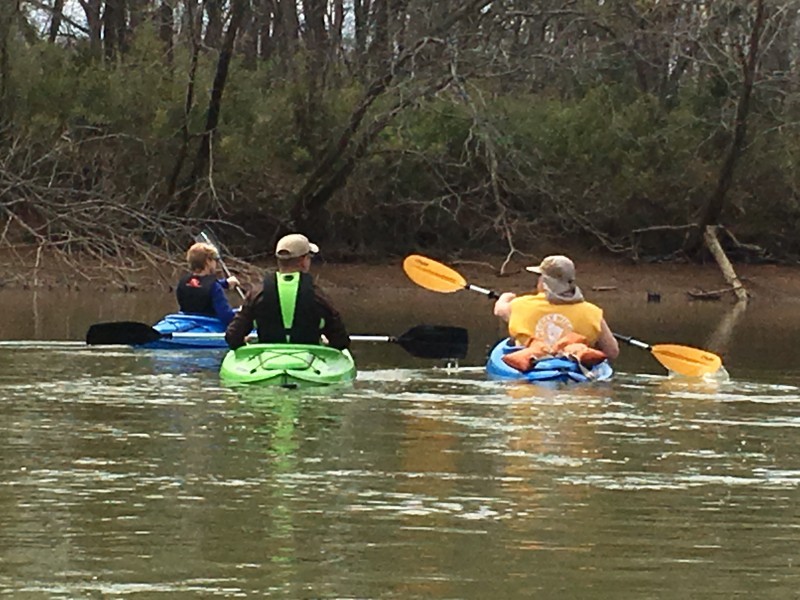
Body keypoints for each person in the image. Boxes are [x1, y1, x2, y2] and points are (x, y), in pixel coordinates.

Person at [225, 233, 350, 350]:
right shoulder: (317, 294)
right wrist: (327, 344)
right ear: (303, 261)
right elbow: (341, 341)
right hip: (309, 361)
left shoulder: (257, 293)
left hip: (266, 363)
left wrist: (245, 345)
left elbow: (232, 337)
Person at [493, 255, 619, 360]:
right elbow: (612, 351)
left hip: (531, 371)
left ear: (545, 282)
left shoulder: (521, 305)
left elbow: (499, 310)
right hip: (575, 376)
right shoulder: (592, 312)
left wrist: (505, 297)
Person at [176, 242, 241, 325]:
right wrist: (242, 314)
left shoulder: (183, 282)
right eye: (215, 259)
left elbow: (201, 287)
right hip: (208, 325)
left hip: (187, 321)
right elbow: (227, 317)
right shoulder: (214, 288)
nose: (216, 263)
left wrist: (226, 283)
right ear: (208, 261)